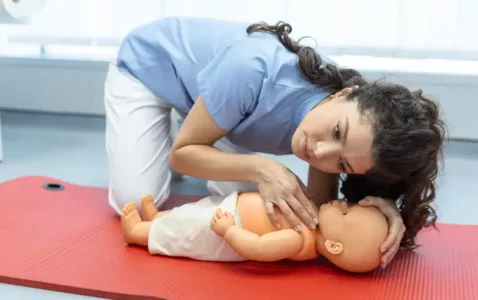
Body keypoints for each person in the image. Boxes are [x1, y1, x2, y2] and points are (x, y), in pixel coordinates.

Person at [104, 17, 445, 268]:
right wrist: (263, 167)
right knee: (133, 199)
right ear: (342, 94)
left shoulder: (350, 126)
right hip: (148, 68)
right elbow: (181, 156)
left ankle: (205, 119)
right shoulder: (253, 70)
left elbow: (319, 212)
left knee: (264, 209)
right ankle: (195, 120)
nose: (320, 152)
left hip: (229, 111)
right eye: (337, 132)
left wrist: (383, 210)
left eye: (341, 165)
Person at [120, 188, 389, 273]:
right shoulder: (312, 220)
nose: (342, 202)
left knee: (184, 232)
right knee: (189, 213)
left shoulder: (297, 239)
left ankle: (140, 233)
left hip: (226, 230)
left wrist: (229, 231)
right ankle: (158, 217)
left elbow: (259, 248)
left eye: (345, 211)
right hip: (230, 206)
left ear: (333, 246)